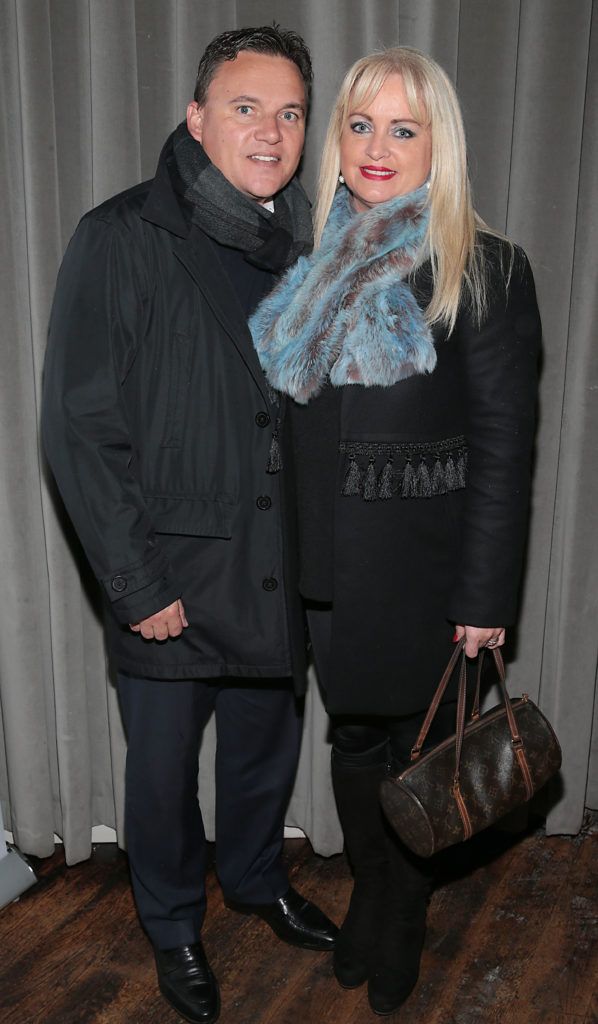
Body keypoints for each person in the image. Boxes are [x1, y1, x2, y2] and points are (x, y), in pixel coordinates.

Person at [42, 26, 337, 1024]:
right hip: (169, 581)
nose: (270, 129)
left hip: (275, 565)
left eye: (290, 111)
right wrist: (134, 583)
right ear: (198, 117)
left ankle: (255, 881)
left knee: (264, 752)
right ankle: (172, 924)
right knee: (162, 779)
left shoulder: (304, 245)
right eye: (247, 106)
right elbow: (80, 427)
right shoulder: (121, 234)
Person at [250, 46, 541, 1015]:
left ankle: (401, 906)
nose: (378, 146)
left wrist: (483, 599)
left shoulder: (486, 268)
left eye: (403, 128)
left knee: (415, 752)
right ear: (337, 138)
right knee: (354, 740)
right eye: (361, 124)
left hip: (424, 576)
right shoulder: (305, 261)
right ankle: (376, 886)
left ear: (436, 146)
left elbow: (505, 447)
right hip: (325, 569)